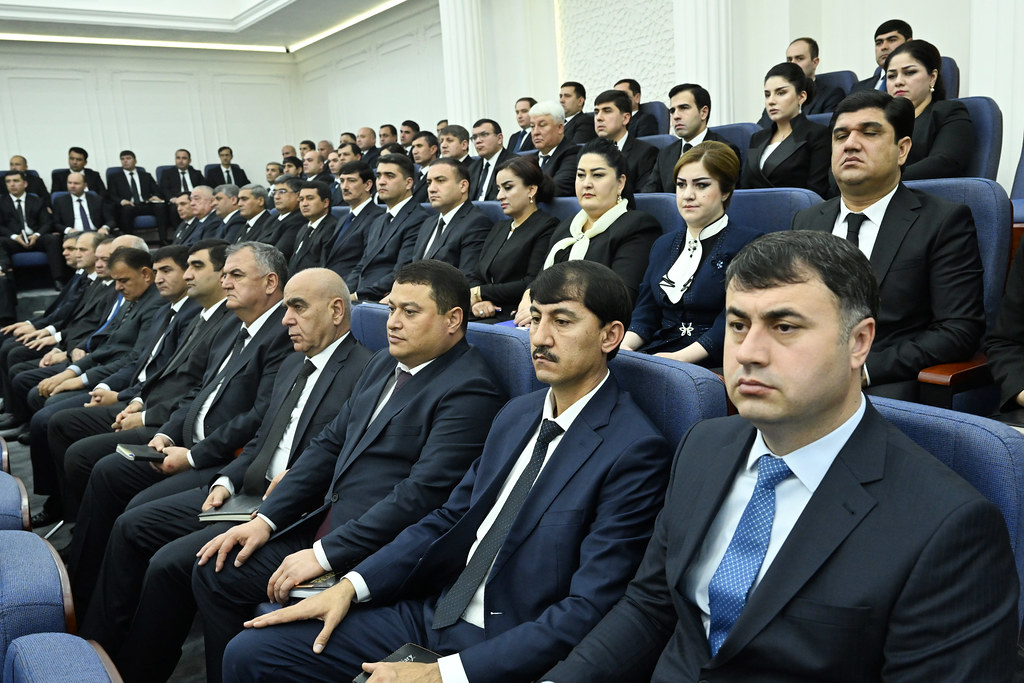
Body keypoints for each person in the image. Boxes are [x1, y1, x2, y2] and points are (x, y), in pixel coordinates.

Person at [543, 230, 1018, 682]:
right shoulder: (702, 446)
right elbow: (650, 608)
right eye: (737, 325)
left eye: (784, 327)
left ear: (859, 342)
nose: (748, 353)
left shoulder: (949, 528)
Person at [223, 260, 672, 683]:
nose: (540, 337)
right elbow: (448, 518)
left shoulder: (634, 450)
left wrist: (443, 673)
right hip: (436, 611)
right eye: (535, 319)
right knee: (252, 651)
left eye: (563, 321)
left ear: (610, 335)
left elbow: (587, 608)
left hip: (503, 640)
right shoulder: (518, 414)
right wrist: (351, 587)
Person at [193, 260, 507, 682]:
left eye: (410, 311)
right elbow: (329, 444)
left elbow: (419, 497)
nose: (393, 322)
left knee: (253, 646)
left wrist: (323, 555)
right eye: (391, 308)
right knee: (215, 568)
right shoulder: (382, 364)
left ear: (453, 320)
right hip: (326, 523)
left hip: (372, 552)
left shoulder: (470, 389)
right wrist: (265, 521)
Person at [79, 269, 373, 683]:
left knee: (171, 564)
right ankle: (94, 647)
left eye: (298, 307)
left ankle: (134, 673)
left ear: (337, 310)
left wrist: (280, 495)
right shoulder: (293, 363)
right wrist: (226, 481)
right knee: (132, 524)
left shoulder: (366, 371)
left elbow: (348, 461)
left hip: (289, 509)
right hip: (243, 492)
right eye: (286, 307)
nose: (286, 319)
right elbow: (261, 439)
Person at [66, 242, 293, 614]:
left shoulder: (283, 333)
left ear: (270, 283)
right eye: (225, 275)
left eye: (236, 275)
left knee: (132, 513)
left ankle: (97, 612)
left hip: (219, 456)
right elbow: (200, 391)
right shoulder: (233, 326)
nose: (226, 283)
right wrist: (167, 432)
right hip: (187, 441)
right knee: (106, 472)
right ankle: (82, 588)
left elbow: (259, 417)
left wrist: (192, 456)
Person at [792, 89, 984, 400]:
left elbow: (958, 331)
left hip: (883, 383)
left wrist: (863, 370)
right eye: (840, 136)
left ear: (902, 150)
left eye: (869, 133)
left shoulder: (943, 221)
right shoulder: (806, 220)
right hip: (803, 377)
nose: (851, 144)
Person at [624, 142, 763, 364]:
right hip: (660, 352)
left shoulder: (749, 244)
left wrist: (678, 358)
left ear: (725, 191)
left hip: (713, 360)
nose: (688, 195)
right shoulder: (662, 245)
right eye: (681, 185)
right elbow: (646, 312)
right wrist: (625, 348)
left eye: (701, 185)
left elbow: (734, 320)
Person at [513, 138, 660, 324]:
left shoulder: (638, 226)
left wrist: (547, 310)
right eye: (581, 175)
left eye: (597, 175)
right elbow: (541, 278)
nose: (586, 184)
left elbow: (621, 299)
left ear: (620, 183)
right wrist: (528, 298)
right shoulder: (568, 226)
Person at [469, 156, 559, 320]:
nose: (499, 196)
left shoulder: (547, 226)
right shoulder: (499, 227)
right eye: (498, 189)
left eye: (508, 188)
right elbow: (477, 274)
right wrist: (478, 301)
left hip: (515, 314)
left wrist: (480, 293)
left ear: (531, 190)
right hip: (484, 311)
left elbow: (531, 282)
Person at [345, 155, 431, 301]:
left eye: (389, 176)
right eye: (378, 176)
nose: (381, 181)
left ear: (408, 183)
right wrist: (344, 292)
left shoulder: (418, 218)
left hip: (385, 299)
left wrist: (357, 295)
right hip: (361, 297)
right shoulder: (378, 220)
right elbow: (362, 266)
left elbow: (402, 272)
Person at [885, 39, 973, 180]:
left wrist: (883, 181)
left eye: (910, 72)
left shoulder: (949, 112)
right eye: (891, 76)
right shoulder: (880, 121)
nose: (898, 82)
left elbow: (944, 163)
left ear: (932, 78)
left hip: (920, 192)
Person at [743, 62, 830, 197]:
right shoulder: (757, 138)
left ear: (801, 97)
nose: (771, 101)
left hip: (797, 209)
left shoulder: (817, 134)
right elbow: (744, 189)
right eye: (767, 95)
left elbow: (815, 193)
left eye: (781, 93)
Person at [643, 84, 741, 193]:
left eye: (684, 108)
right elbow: (649, 195)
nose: (676, 116)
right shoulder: (665, 154)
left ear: (703, 112)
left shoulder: (724, 151)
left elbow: (726, 197)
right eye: (672, 111)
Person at [410, 159, 492, 279]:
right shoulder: (428, 223)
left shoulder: (477, 222)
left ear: (463, 186)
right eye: (429, 183)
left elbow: (467, 278)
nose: (431, 189)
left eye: (440, 180)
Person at [757, 37, 846, 126]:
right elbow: (761, 128)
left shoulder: (831, 94)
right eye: (789, 59)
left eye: (799, 58)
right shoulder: (776, 98)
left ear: (815, 62)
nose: (793, 64)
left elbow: (828, 129)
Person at [324, 161, 385, 281]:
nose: (344, 187)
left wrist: (344, 288)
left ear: (367, 185)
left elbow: (366, 262)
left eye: (351, 180)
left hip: (349, 286)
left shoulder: (377, 217)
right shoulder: (343, 219)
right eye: (342, 181)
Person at [1, 170, 63, 285]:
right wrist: (14, 237)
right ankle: (6, 282)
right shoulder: (1, 203)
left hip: (35, 237)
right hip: (14, 240)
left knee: (53, 239)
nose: (12, 184)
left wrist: (36, 235)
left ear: (25, 184)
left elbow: (47, 222)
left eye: (15, 181)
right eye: (8, 182)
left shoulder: (37, 201)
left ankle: (58, 280)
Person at [593, 88, 659, 196]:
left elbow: (642, 198)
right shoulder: (588, 152)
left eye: (607, 111)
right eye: (596, 112)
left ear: (625, 118)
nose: (599, 118)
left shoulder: (646, 153)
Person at [530, 100, 579, 197]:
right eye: (532, 126)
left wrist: (521, 195)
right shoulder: (529, 160)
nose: (535, 132)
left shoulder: (573, 153)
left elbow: (557, 188)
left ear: (560, 128)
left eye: (542, 125)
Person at [852, 19, 913, 92]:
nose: (883, 47)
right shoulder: (858, 88)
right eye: (878, 43)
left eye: (892, 40)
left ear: (909, 43)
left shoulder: (919, 81)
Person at [467, 118, 515, 202]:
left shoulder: (514, 163)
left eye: (484, 134)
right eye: (474, 137)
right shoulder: (472, 168)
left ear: (499, 138)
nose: (478, 141)